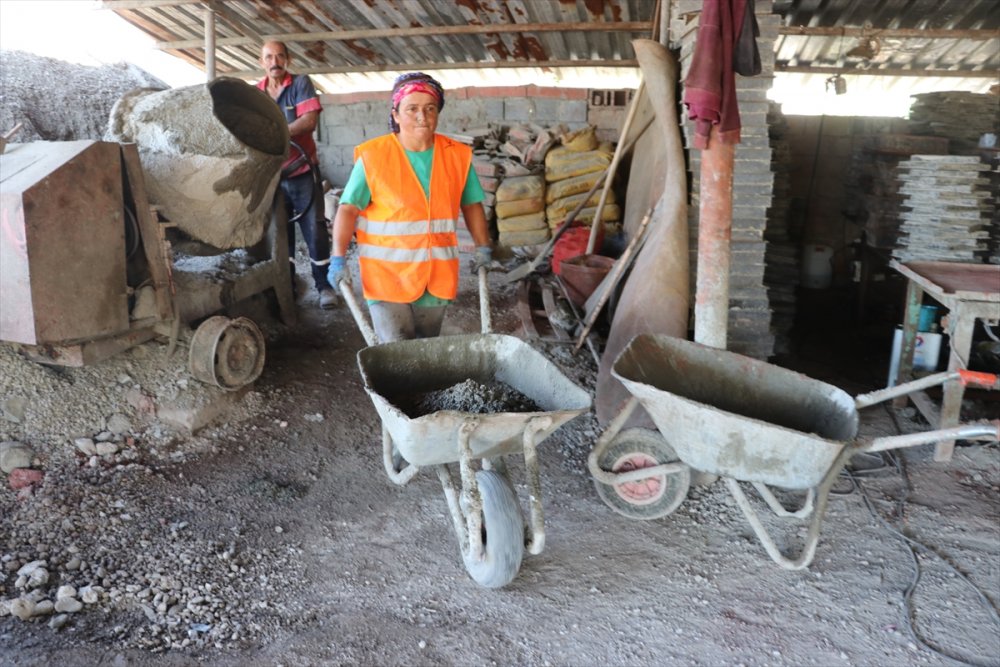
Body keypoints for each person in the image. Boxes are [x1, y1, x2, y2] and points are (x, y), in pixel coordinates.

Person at [328, 72, 494, 342]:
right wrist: (338, 257)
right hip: (387, 278)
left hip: (436, 277)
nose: (422, 116)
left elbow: (472, 204)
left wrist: (483, 247)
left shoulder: (456, 156)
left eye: (430, 109)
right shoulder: (374, 156)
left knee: (426, 348)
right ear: (395, 114)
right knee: (397, 352)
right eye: (412, 109)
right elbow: (348, 209)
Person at [257, 40, 337, 309]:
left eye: (280, 56)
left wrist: (275, 134)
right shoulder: (256, 94)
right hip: (272, 177)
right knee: (280, 232)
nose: (274, 61)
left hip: (302, 171)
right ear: (262, 62)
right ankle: (286, 286)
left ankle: (324, 286)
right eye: (269, 57)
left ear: (287, 59)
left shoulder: (300, 84)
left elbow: (309, 121)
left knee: (314, 229)